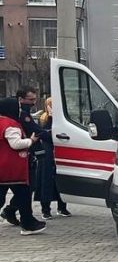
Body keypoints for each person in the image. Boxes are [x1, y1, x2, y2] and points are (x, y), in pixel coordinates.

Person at [0, 98, 46, 235]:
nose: (20, 110)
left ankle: (28, 222)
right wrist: (30, 141)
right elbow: (15, 144)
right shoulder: (11, 124)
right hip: (13, 168)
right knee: (24, 195)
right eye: (18, 107)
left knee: (2, 196)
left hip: (4, 168)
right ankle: (28, 224)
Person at [35, 97, 70, 219]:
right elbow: (45, 134)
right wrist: (50, 116)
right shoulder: (43, 118)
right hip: (47, 152)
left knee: (60, 178)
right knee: (46, 180)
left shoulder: (63, 118)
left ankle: (62, 206)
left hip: (59, 151)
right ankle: (46, 208)